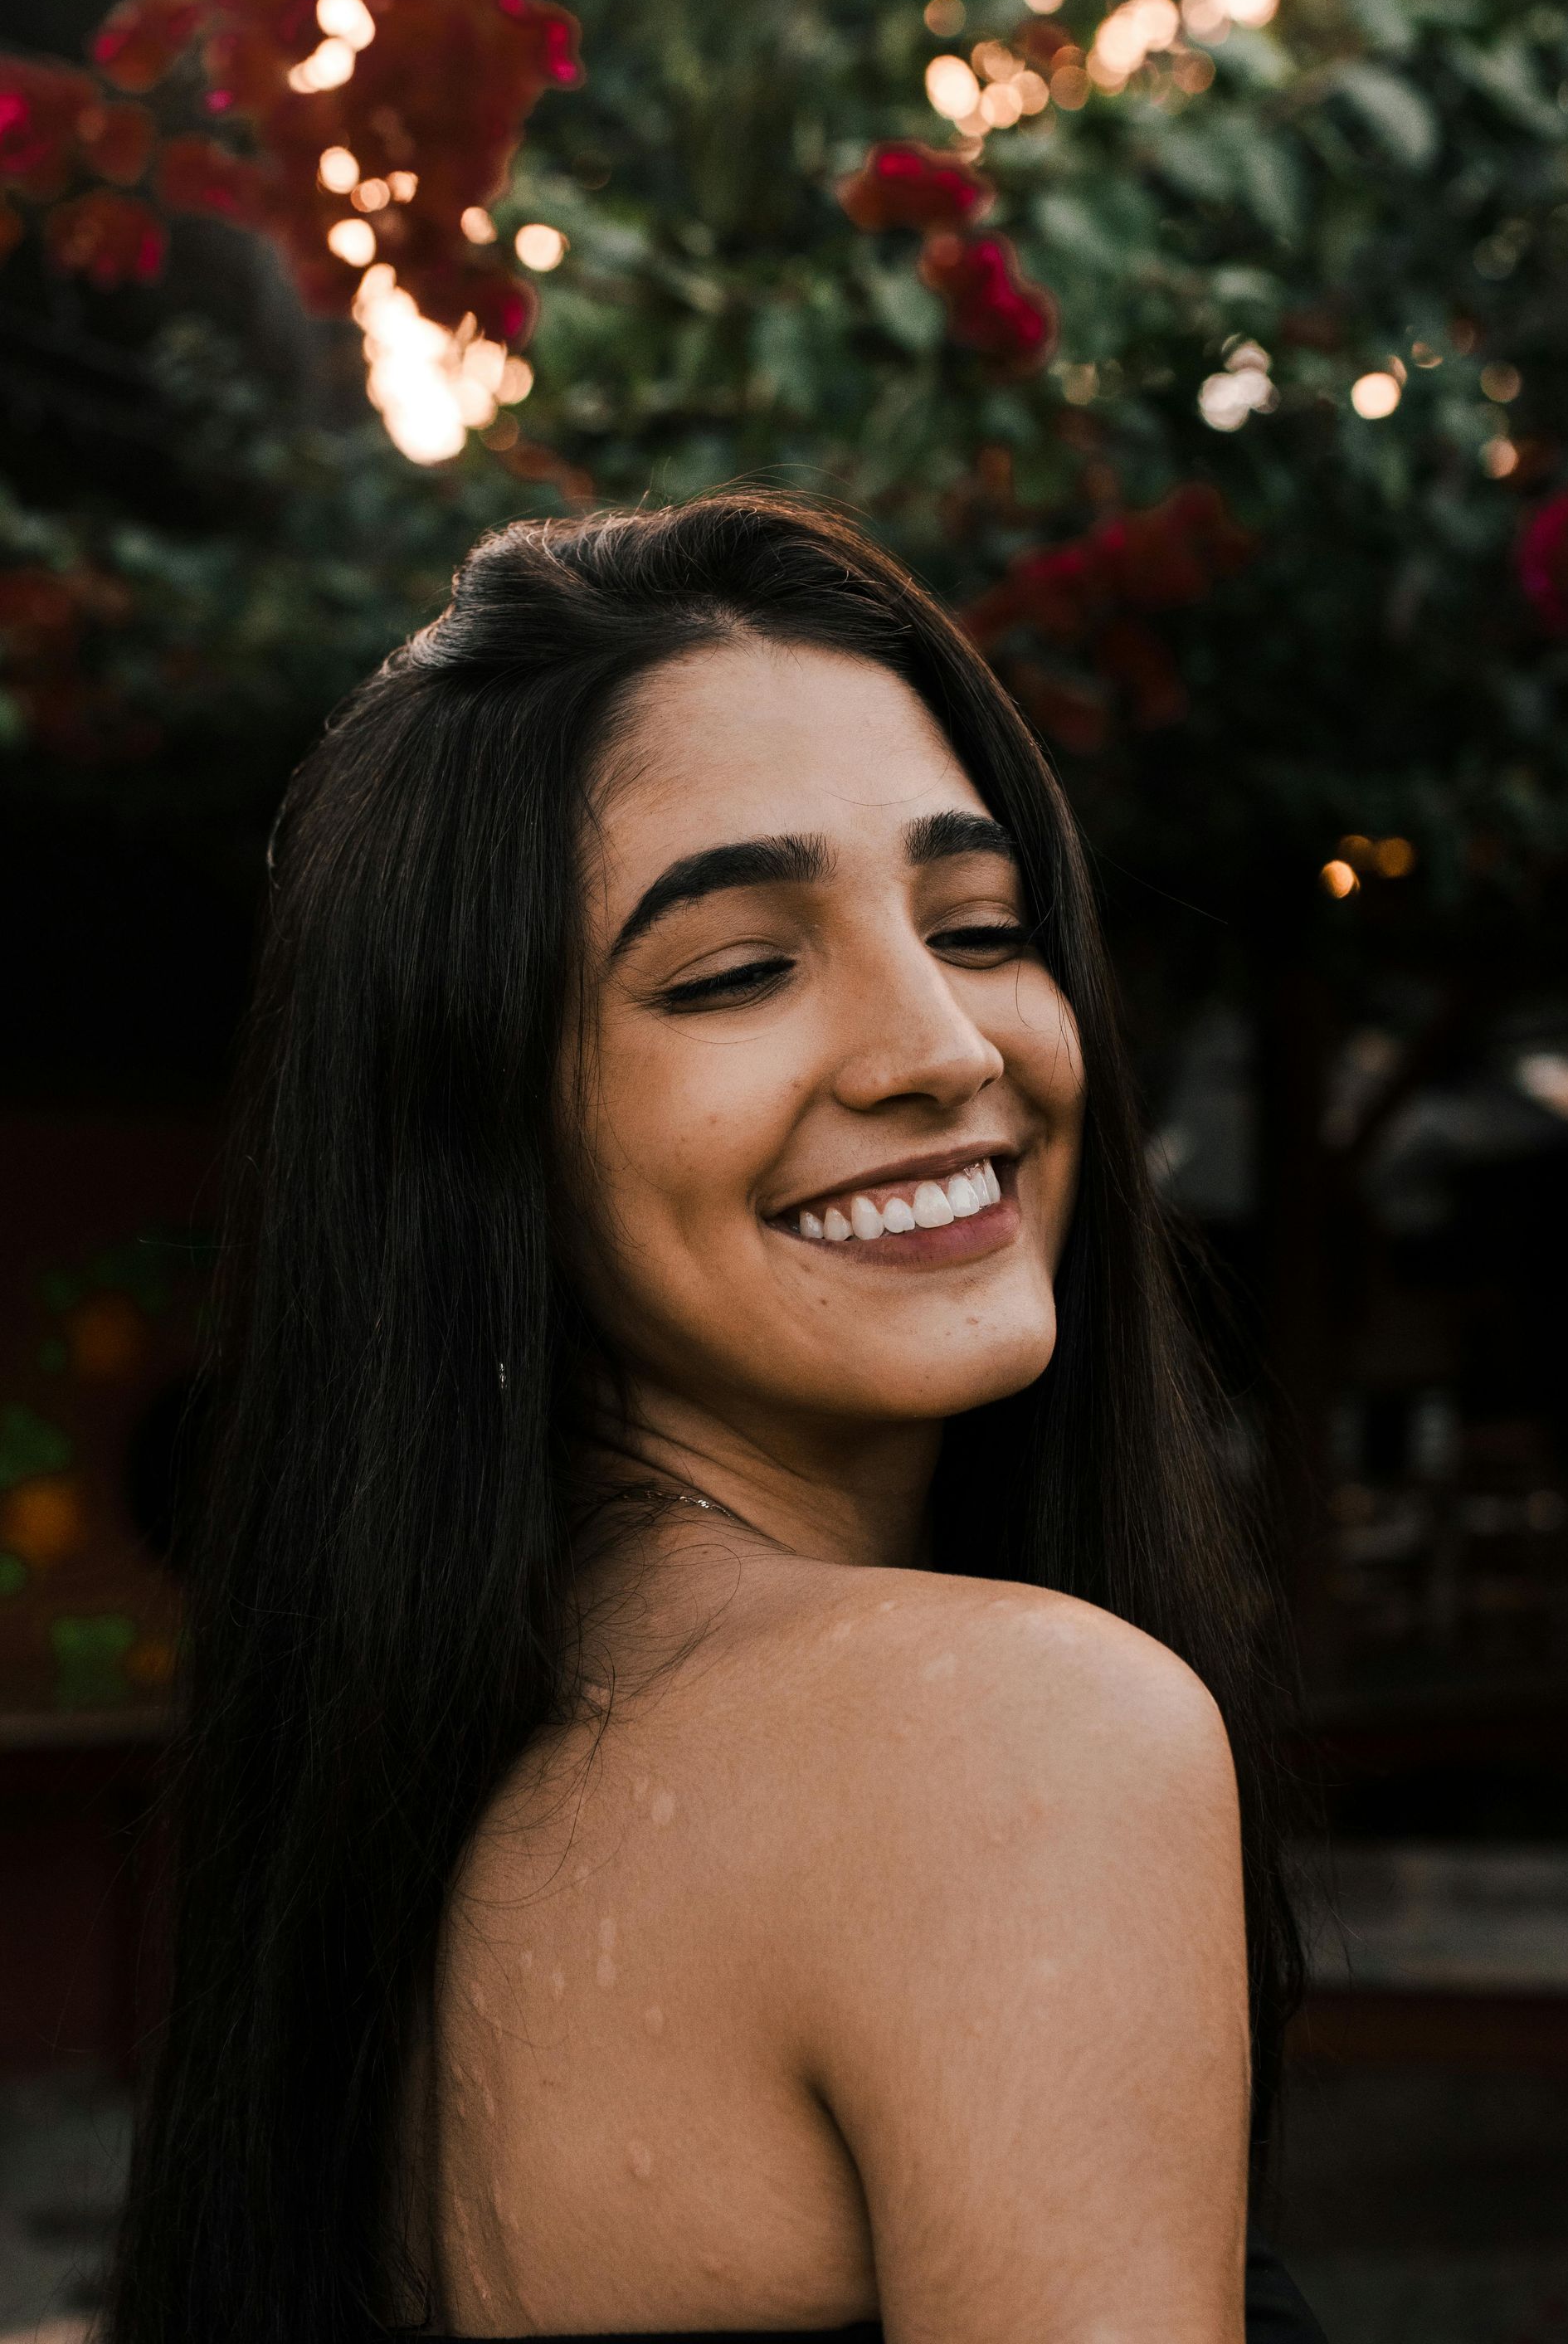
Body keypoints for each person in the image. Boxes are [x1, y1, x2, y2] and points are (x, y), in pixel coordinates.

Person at [106, 493, 1324, 2343]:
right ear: (477, 1130)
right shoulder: (1013, 1738)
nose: (943, 1046)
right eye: (738, 970)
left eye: (982, 925)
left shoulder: (386, 1803)